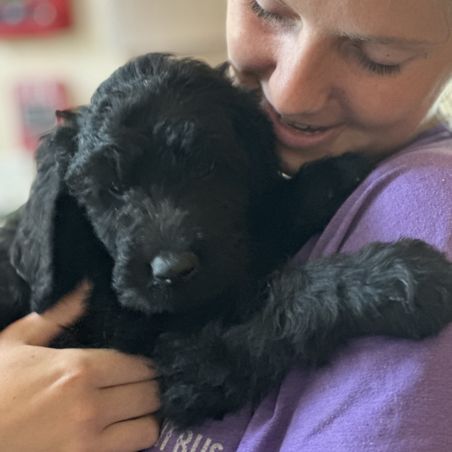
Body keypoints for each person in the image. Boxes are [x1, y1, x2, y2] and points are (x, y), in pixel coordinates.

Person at [1, 0, 451, 450]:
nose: (291, 95)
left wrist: (301, 202)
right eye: (266, 9)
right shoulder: (58, 241)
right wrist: (332, 295)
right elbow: (187, 376)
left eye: (379, 56)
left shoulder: (428, 195)